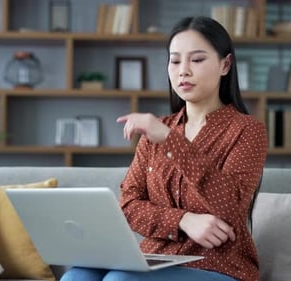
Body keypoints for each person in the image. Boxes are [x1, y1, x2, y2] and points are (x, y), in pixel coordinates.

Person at [60, 16, 267, 281]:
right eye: (175, 60)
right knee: (77, 276)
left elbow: (230, 206)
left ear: (225, 65)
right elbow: (128, 206)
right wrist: (182, 220)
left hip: (219, 266)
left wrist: (169, 141)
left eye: (197, 59)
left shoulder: (247, 130)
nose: (183, 71)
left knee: (120, 280)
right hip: (156, 257)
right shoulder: (156, 130)